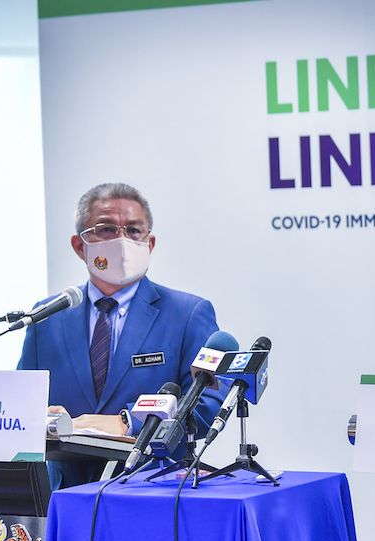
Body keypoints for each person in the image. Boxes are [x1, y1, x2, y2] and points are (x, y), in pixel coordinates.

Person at [19, 182, 226, 489]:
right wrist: (44, 418)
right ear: (79, 246)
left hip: (154, 494)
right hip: (65, 497)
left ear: (150, 243)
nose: (122, 240)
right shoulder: (47, 316)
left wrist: (130, 422)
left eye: (133, 231)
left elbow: (207, 402)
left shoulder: (187, 314)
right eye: (106, 229)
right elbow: (23, 403)